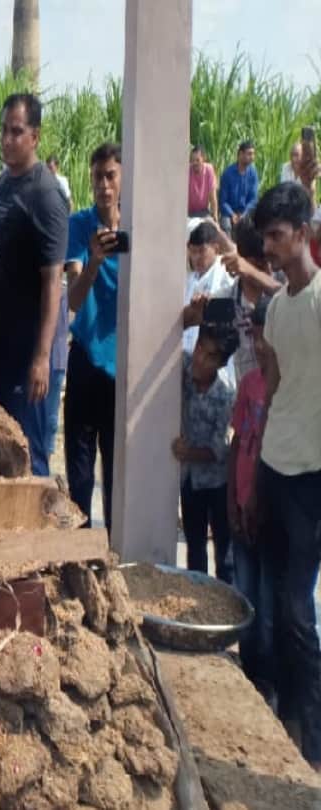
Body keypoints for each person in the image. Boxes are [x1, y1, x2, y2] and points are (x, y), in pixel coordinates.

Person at [252, 181, 321, 769]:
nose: (269, 248)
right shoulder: (277, 309)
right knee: (277, 602)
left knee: (299, 610)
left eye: (277, 236)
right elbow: (272, 389)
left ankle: (315, 746)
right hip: (274, 465)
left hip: (311, 476)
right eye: (265, 239)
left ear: (304, 233)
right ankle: (289, 721)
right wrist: (253, 468)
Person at [0, 93, 70, 476]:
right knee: (6, 450)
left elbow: (53, 282)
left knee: (30, 455)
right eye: (4, 130)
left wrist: (42, 357)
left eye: (16, 132)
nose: (7, 139)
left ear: (35, 136)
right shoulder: (2, 185)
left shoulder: (45, 195)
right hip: (3, 345)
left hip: (29, 349)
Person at [64, 143, 124, 532]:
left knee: (118, 475)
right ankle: (80, 554)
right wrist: (93, 263)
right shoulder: (79, 225)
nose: (104, 185)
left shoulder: (137, 228)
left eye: (111, 176)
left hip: (122, 363)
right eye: (97, 177)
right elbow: (73, 298)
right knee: (80, 474)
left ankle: (115, 554)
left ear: (123, 179)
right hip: (86, 357)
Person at [227, 298, 276, 701]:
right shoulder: (248, 384)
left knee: (270, 605)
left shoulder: (290, 390)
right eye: (255, 337)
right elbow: (238, 442)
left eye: (266, 338)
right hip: (242, 506)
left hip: (271, 514)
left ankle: (270, 682)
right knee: (246, 596)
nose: (259, 346)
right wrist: (232, 500)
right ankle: (249, 677)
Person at [175, 321, 238, 583]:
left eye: (210, 356)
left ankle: (225, 597)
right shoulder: (185, 366)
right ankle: (197, 594)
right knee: (195, 548)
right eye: (200, 348)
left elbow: (218, 450)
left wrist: (188, 453)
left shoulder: (225, 395)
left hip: (216, 484)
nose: (200, 359)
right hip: (190, 480)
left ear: (221, 363)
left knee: (224, 554)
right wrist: (191, 316)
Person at [220, 220, 283, 385]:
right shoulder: (226, 300)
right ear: (241, 262)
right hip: (246, 395)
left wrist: (253, 272)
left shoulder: (285, 288)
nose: (268, 271)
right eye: (259, 266)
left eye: (270, 262)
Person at [181, 220, 235, 358]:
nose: (197, 257)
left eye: (201, 251)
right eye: (193, 251)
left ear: (215, 249)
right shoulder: (190, 278)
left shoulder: (225, 273)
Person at [219, 140, 259, 233]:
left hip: (245, 211)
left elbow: (253, 199)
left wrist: (244, 214)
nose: (252, 157)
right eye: (249, 154)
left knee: (255, 224)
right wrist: (232, 214)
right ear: (240, 154)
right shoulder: (228, 173)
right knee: (226, 226)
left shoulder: (253, 173)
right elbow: (223, 201)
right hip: (229, 212)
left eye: (253, 154)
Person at [188, 145, 219, 219]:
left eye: (197, 160)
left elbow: (213, 197)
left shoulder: (209, 169)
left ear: (204, 159)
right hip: (188, 213)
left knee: (212, 225)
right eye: (192, 160)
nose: (194, 163)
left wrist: (215, 217)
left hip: (204, 212)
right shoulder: (187, 170)